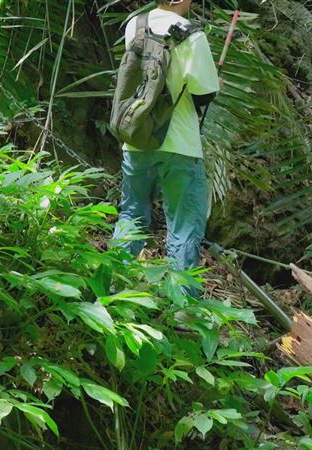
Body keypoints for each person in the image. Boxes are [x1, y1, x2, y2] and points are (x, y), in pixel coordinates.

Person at [111, 0, 219, 292]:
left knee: (131, 214)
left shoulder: (137, 24)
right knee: (183, 226)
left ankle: (109, 288)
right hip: (179, 145)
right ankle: (182, 309)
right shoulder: (192, 35)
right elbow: (205, 89)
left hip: (137, 138)